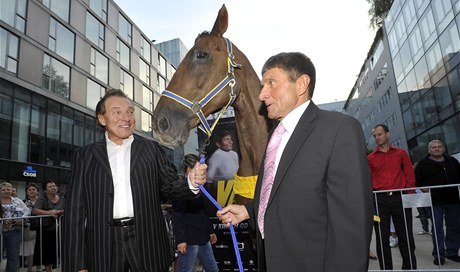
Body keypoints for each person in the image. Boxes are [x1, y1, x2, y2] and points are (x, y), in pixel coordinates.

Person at [217, 52, 373, 271]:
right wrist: (248, 212)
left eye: (271, 83)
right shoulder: (275, 137)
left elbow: (351, 226)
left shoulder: (339, 130)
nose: (262, 94)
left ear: (301, 84)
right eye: (262, 86)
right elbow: (285, 194)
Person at [62, 89, 208, 272]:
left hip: (147, 242)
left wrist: (191, 183)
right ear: (102, 118)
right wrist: (77, 264)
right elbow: (74, 212)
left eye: (130, 112)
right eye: (117, 112)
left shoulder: (151, 149)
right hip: (103, 245)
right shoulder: (85, 156)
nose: (126, 117)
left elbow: (170, 186)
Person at [368, 124, 417, 270]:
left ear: (387, 134)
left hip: (400, 198)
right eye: (375, 136)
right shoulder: (370, 158)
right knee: (382, 238)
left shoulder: (401, 154)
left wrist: (410, 196)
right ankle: (386, 269)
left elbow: (409, 175)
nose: (377, 138)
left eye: (380, 134)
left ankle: (409, 267)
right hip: (379, 200)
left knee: (405, 235)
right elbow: (369, 180)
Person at [414, 139, 460, 265]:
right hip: (435, 202)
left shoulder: (452, 161)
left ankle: (452, 252)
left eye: (439, 146)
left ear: (443, 149)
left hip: (453, 200)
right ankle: (439, 255)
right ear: (429, 150)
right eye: (434, 147)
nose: (437, 149)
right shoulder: (423, 164)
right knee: (437, 228)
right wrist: (427, 191)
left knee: (454, 227)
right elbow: (418, 182)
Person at [173, 154, 218, 272]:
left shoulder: (201, 186)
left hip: (203, 237)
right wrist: (181, 240)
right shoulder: (180, 188)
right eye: (196, 168)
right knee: (186, 270)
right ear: (188, 169)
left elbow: (204, 211)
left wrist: (210, 231)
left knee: (213, 269)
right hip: (188, 239)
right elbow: (177, 215)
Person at [33, 179, 64, 272]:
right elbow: (35, 210)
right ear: (45, 190)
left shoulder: (62, 197)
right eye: (50, 186)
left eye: (54, 185)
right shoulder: (42, 198)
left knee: (59, 251)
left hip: (60, 229)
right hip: (46, 230)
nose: (53, 187)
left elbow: (69, 208)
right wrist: (49, 212)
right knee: (47, 253)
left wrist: (58, 212)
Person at [0, 182, 30, 272]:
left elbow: (27, 210)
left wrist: (21, 219)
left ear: (11, 190)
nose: (6, 191)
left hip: (15, 231)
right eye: (3, 190)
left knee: (13, 256)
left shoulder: (17, 200)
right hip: (0, 231)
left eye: (8, 189)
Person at [20, 183, 39, 272]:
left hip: (42, 228)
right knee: (29, 249)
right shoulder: (22, 202)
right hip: (29, 230)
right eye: (29, 189)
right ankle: (30, 269)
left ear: (37, 191)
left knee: (40, 248)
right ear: (27, 192)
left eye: (33, 189)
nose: (31, 191)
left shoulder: (42, 201)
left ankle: (39, 268)